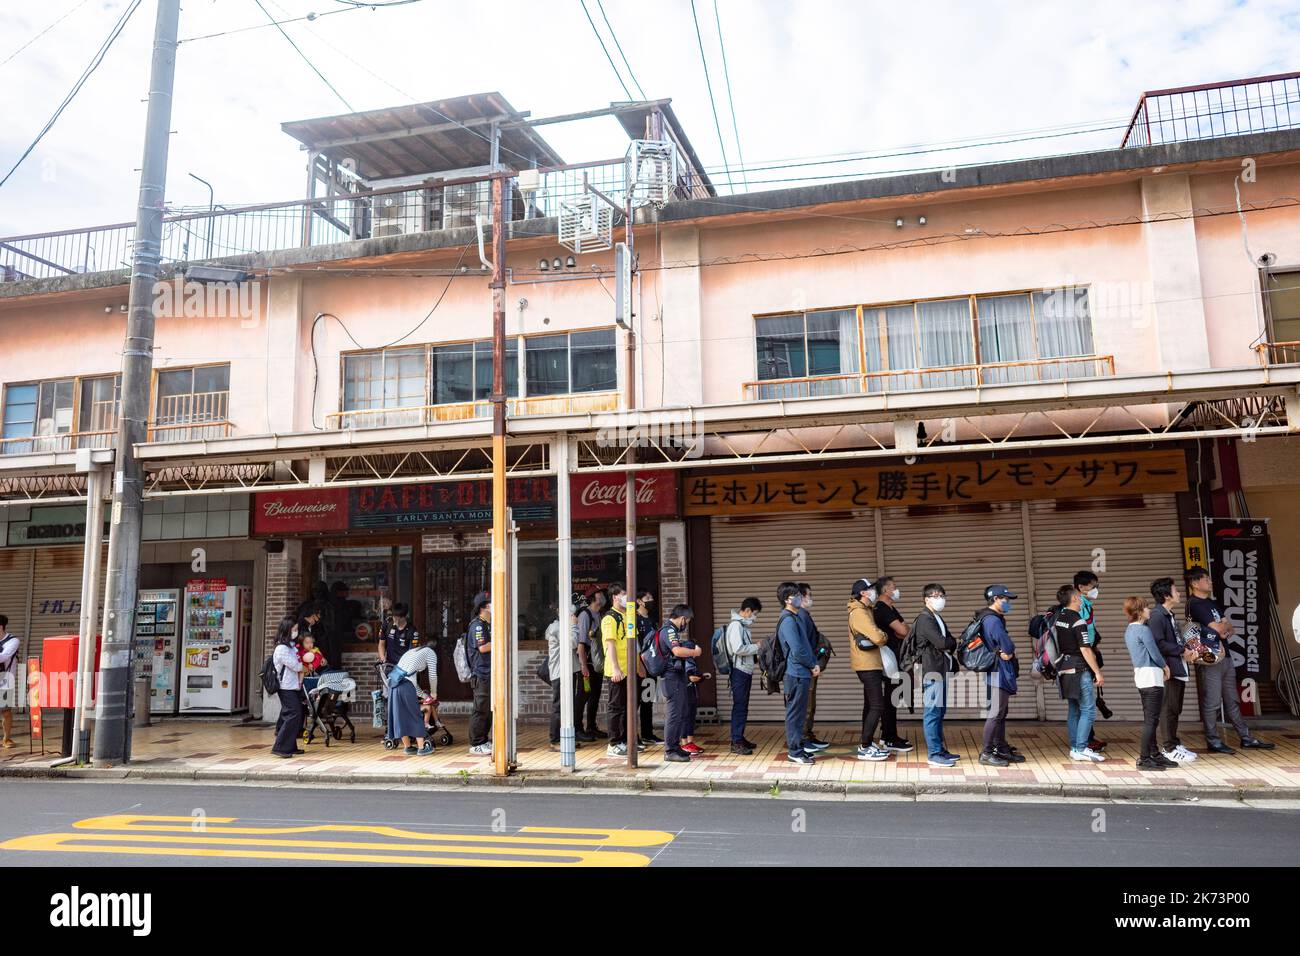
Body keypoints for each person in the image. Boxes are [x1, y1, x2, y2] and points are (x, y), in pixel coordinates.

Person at [1185, 566, 1274, 754]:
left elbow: (1229, 628)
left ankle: (1246, 738)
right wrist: (1221, 628)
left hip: (1226, 656)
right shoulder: (1194, 604)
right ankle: (1213, 741)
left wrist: (1222, 627)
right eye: (1205, 579)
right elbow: (1219, 629)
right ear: (1194, 583)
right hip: (1209, 659)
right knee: (1212, 701)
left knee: (1232, 700)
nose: (1209, 581)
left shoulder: (1212, 603)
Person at [1123, 597, 1177, 771]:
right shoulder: (1144, 630)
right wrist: (1165, 666)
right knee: (1151, 720)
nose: (1150, 611)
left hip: (1140, 675)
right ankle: (1144, 758)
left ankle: (1154, 754)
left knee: (1150, 717)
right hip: (1152, 676)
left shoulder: (1129, 630)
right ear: (1139, 612)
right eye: (1146, 608)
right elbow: (1154, 652)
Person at [1149, 576, 1199, 763]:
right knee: (1168, 708)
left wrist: (1188, 651)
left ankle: (1174, 742)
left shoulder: (1168, 615)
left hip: (1178, 666)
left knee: (1175, 708)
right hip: (1167, 669)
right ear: (1166, 595)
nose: (1178, 592)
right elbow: (1158, 643)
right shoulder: (1157, 616)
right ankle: (1168, 748)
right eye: (1175, 589)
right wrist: (1182, 651)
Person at [1053, 584, 1105, 763]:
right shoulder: (1078, 620)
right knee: (1088, 710)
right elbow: (1085, 649)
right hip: (1079, 668)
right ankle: (1082, 748)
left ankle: (1075, 747)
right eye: (1079, 596)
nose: (1082, 599)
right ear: (1075, 598)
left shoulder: (1060, 617)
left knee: (1074, 709)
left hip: (1064, 667)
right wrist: (1097, 672)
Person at [912, 584, 960, 767]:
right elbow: (942, 643)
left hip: (940, 669)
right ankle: (934, 753)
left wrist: (950, 642)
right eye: (934, 595)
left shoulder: (936, 617)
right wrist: (951, 642)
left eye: (941, 595)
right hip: (932, 671)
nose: (939, 598)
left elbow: (948, 641)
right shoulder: (925, 620)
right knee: (932, 712)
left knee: (939, 711)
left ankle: (940, 749)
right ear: (926, 599)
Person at [777, 582, 820, 765]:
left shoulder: (795, 618)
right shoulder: (787, 620)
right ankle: (794, 751)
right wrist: (812, 664)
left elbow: (805, 645)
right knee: (794, 713)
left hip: (801, 672)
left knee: (799, 713)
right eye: (796, 595)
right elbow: (797, 649)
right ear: (788, 599)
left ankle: (798, 748)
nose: (800, 597)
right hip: (795, 673)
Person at [848, 578, 890, 761]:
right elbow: (878, 637)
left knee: (870, 705)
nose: (874, 590)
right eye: (871, 588)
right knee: (877, 705)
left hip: (870, 663)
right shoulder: (859, 613)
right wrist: (884, 635)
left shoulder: (865, 610)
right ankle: (865, 746)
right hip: (867, 664)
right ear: (863, 593)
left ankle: (867, 742)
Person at [871, 575, 914, 753]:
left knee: (893, 697)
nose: (896, 590)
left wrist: (902, 632)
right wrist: (901, 632)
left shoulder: (891, 608)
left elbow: (907, 631)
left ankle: (888, 735)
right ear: (886, 590)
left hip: (896, 657)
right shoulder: (881, 609)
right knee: (890, 698)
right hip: (889, 659)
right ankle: (889, 737)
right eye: (894, 587)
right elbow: (904, 630)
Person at [979, 585, 1019, 767]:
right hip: (998, 671)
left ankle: (1000, 747)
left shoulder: (992, 618)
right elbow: (1008, 646)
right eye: (1005, 599)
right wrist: (1006, 651)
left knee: (1000, 712)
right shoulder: (992, 620)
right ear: (995, 599)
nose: (1008, 603)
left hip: (997, 670)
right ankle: (986, 753)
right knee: (996, 712)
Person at [1074, 570, 1110, 751]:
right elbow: (1083, 641)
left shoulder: (1086, 605)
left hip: (1083, 658)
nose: (1096, 590)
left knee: (1078, 706)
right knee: (1085, 707)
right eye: (1093, 587)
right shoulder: (1079, 607)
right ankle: (1082, 744)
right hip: (1082, 660)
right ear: (1081, 587)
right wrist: (1095, 667)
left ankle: (1083, 741)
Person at [660, 605, 700, 762]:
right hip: (672, 678)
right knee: (674, 714)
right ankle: (670, 751)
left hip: (676, 678)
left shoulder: (671, 631)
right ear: (683, 618)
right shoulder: (669, 630)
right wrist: (694, 652)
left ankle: (676, 748)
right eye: (687, 620)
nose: (686, 624)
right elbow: (677, 651)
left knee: (679, 713)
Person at [601, 585, 637, 757]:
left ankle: (624, 740)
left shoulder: (627, 615)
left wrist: (639, 666)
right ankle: (613, 743)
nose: (626, 597)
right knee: (616, 707)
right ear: (615, 597)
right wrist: (615, 668)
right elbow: (610, 644)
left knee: (626, 706)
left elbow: (633, 643)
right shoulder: (610, 618)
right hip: (616, 670)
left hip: (628, 669)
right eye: (624, 594)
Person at [725, 597, 763, 754]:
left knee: (743, 706)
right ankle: (736, 741)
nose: (755, 617)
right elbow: (738, 649)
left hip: (744, 670)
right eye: (755, 614)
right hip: (739, 671)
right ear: (747, 611)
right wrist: (757, 647)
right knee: (739, 707)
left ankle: (739, 737)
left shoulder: (742, 626)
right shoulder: (736, 626)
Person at [546, 597, 583, 752]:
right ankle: (554, 740)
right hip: (560, 672)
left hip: (569, 670)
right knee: (559, 706)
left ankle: (566, 738)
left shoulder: (563, 626)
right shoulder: (557, 627)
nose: (572, 615)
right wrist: (574, 627)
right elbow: (573, 643)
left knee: (568, 705)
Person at [390, 638, 438, 755]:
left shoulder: (412, 652)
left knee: (400, 716)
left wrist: (423, 695)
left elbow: (411, 681)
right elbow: (432, 675)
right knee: (415, 715)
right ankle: (422, 748)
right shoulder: (430, 653)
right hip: (405, 685)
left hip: (393, 684)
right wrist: (433, 692)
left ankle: (408, 747)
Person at [796, 583, 830, 751]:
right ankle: (802, 738)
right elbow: (803, 644)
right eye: (809, 595)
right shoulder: (800, 615)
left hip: (811, 666)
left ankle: (808, 734)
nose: (811, 598)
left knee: (811, 703)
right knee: (806, 704)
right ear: (801, 597)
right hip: (806, 667)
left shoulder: (804, 614)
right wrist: (811, 664)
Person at [271, 616, 306, 758]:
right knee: (293, 713)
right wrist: (304, 667)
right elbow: (296, 665)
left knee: (294, 714)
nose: (296, 632)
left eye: (297, 629)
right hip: (285, 686)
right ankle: (280, 747)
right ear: (287, 630)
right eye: (294, 629)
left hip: (293, 686)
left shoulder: (291, 646)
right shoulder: (281, 648)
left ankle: (290, 746)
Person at [574, 590, 605, 741]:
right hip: (587, 662)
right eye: (600, 595)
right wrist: (583, 666)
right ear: (593, 598)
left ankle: (591, 727)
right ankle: (577, 728)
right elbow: (581, 643)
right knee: (583, 695)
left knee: (595, 695)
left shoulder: (599, 615)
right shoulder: (585, 615)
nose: (603, 598)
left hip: (597, 662)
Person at [467, 591, 493, 756]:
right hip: (481, 674)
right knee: (481, 709)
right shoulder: (478, 625)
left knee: (489, 709)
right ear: (484, 607)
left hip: (489, 673)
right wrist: (501, 639)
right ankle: (476, 742)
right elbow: (483, 647)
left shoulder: (487, 624)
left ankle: (484, 739)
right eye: (490, 603)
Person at [635, 590, 662, 744]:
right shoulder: (635, 620)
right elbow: (636, 646)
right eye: (648, 598)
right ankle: (634, 736)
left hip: (652, 667)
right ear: (639, 601)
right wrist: (640, 666)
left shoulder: (651, 620)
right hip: (641, 668)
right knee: (636, 701)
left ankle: (647, 733)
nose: (651, 600)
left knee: (648, 700)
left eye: (652, 597)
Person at [0, 615, 19, 748]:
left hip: (5, 681)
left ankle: (6, 739)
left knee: (5, 711)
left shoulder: (13, 641)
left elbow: (4, 657)